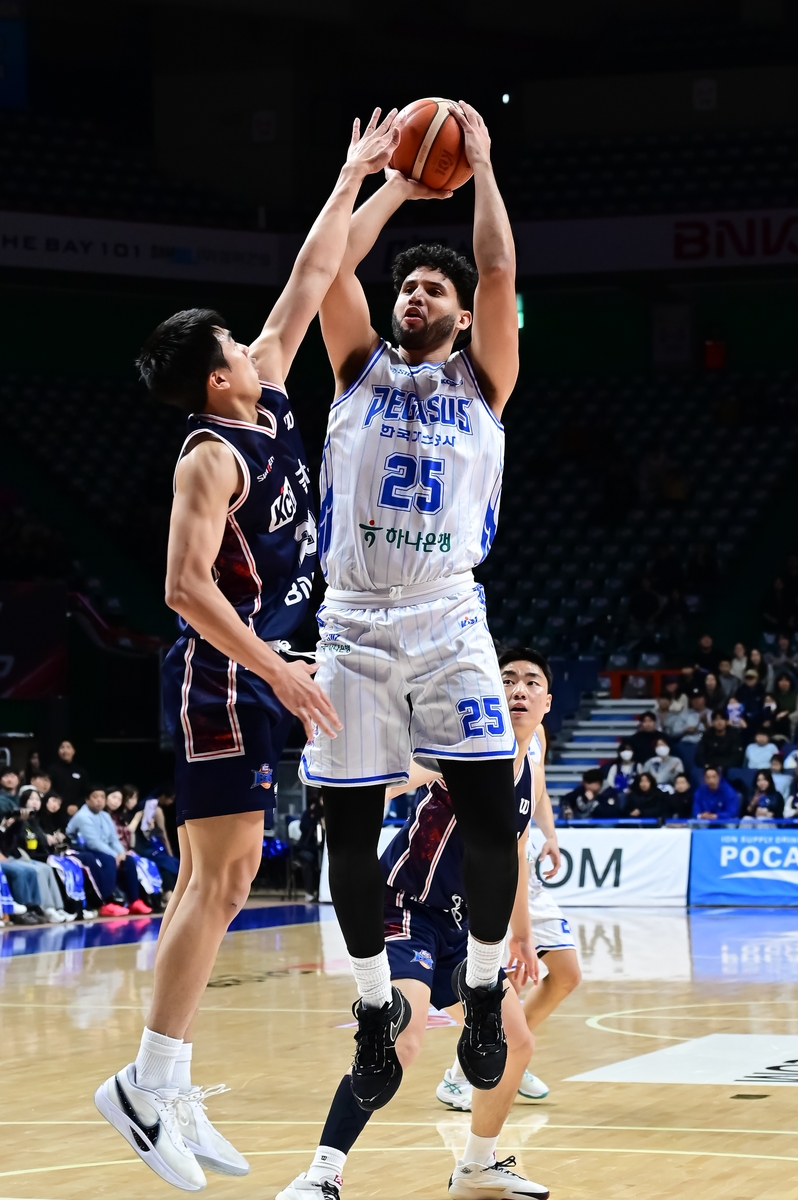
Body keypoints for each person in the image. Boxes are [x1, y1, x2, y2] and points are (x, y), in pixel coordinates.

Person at [94, 110, 401, 1191]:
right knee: (220, 884)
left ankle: (160, 1078)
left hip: (262, 665)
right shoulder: (207, 459)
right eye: (230, 342)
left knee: (209, 884)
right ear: (216, 377)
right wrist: (277, 669)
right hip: (225, 673)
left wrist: (374, 181)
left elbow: (315, 271)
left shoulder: (263, 384)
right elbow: (183, 590)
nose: (250, 339)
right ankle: (144, 1083)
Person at [298, 101, 523, 1109]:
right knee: (345, 832)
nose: (418, 294)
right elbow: (330, 273)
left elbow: (504, 274)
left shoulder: (484, 381)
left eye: (437, 287)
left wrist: (477, 168)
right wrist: (380, 179)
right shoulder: (357, 366)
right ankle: (372, 1009)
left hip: (448, 623)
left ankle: (478, 990)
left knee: (488, 809)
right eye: (413, 286)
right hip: (351, 627)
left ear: (464, 314)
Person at [278, 647, 560, 1200]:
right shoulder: (463, 746)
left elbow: (515, 849)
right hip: (405, 906)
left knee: (516, 1041)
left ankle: (477, 1165)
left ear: (548, 702)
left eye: (531, 683)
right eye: (506, 681)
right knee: (398, 1036)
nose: (519, 691)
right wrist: (360, 785)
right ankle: (321, 1174)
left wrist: (520, 932)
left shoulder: (535, 752)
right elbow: (402, 775)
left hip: (465, 924)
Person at [66, 786, 151, 917]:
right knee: (108, 860)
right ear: (87, 799)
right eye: (95, 797)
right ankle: (107, 903)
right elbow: (93, 843)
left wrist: (121, 853)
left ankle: (134, 900)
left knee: (128, 860)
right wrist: (114, 855)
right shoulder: (82, 816)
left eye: (102, 797)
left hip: (102, 850)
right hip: (81, 850)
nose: (99, 800)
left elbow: (113, 839)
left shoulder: (105, 815)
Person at [48, 740, 90, 815]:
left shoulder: (81, 771)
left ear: (74, 751)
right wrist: (65, 806)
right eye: (62, 747)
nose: (65, 750)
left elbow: (85, 793)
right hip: (57, 811)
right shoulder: (52, 770)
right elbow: (50, 790)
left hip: (77, 811)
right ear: (58, 751)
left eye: (68, 747)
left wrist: (77, 806)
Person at [773, 673, 798, 739]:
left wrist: (787, 716)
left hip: (791, 722)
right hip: (775, 722)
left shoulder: (796, 695)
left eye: (786, 680)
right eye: (781, 680)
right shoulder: (773, 696)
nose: (784, 683)